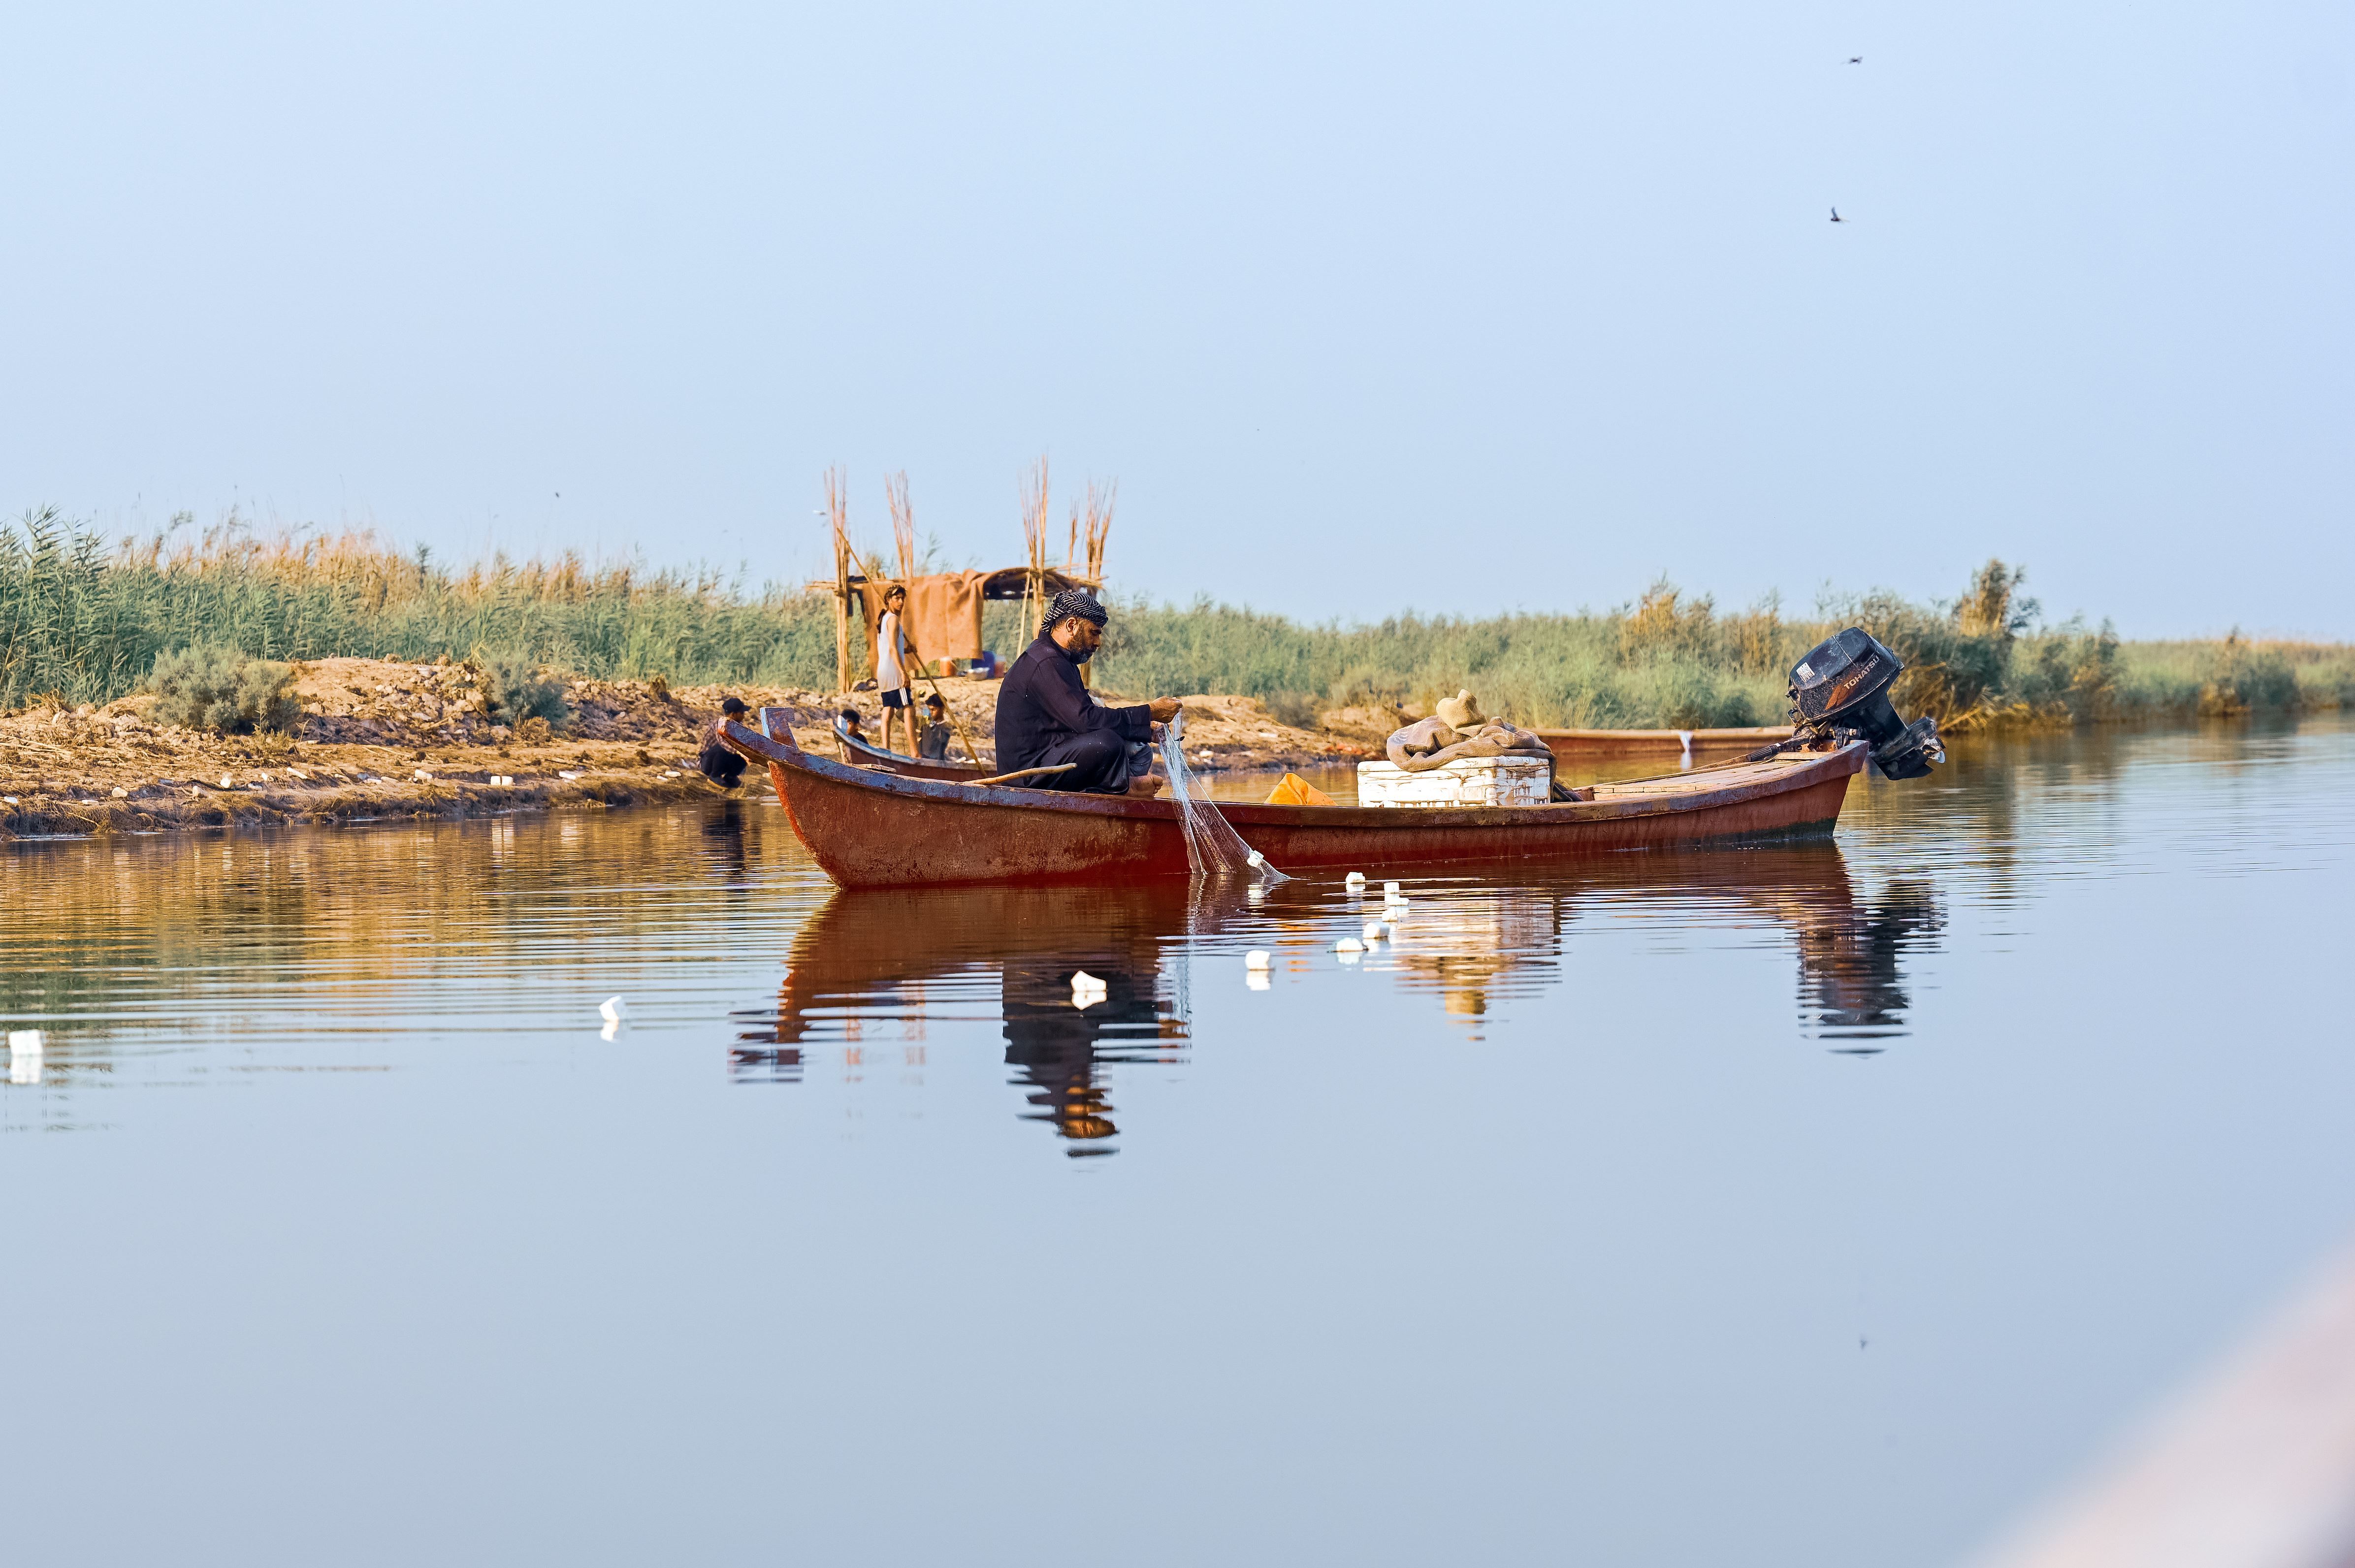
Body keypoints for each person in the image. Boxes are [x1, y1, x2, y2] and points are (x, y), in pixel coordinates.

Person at [994, 589, 1181, 795]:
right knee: (1107, 743)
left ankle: (1120, 788)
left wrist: (1144, 727)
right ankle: (1124, 789)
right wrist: (1149, 712)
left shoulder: (1059, 660)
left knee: (1140, 750)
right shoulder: (1047, 662)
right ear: (1072, 625)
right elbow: (1086, 721)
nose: (1098, 643)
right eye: (1094, 632)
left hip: (1050, 753)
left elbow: (1083, 717)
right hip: (1028, 773)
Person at [874, 582, 916, 757]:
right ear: (888, 600)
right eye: (897, 599)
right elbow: (892, 649)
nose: (900, 602)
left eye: (902, 599)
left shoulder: (884, 619)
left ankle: (886, 748)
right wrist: (903, 673)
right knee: (908, 708)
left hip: (883, 671)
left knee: (889, 708)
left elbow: (892, 647)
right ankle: (915, 753)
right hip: (893, 672)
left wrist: (907, 650)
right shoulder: (893, 619)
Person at [698, 697, 750, 787]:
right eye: (742, 713)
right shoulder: (719, 724)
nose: (744, 715)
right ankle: (714, 776)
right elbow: (723, 743)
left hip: (723, 761)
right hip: (707, 763)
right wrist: (740, 752)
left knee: (745, 751)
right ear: (733, 715)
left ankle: (730, 776)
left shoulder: (739, 726)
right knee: (724, 747)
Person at [917, 692, 955, 761]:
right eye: (930, 709)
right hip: (922, 759)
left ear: (943, 709)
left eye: (934, 710)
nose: (931, 713)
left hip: (936, 761)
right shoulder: (927, 724)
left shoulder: (946, 727)